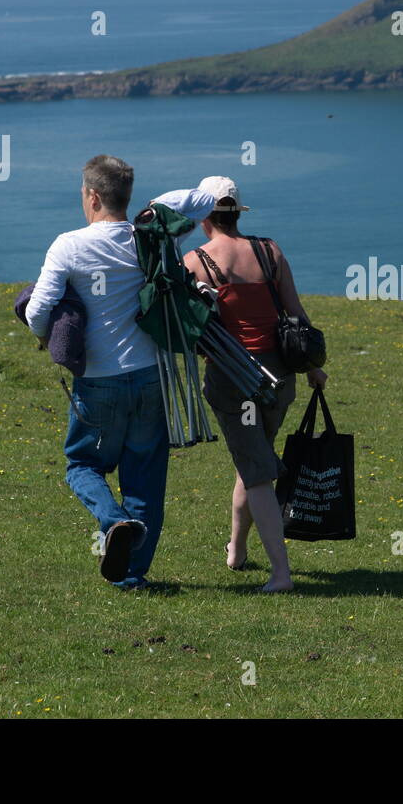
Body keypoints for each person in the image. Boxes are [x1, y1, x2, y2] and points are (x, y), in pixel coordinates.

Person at [26, 155, 214, 589]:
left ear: (92, 195)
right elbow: (204, 199)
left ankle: (112, 522)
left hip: (98, 379)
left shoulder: (68, 245)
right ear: (125, 196)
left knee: (82, 464)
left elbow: (38, 312)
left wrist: (46, 338)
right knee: (145, 476)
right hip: (150, 374)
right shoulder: (148, 237)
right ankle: (131, 576)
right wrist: (162, 201)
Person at [183, 175, 327, 594]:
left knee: (258, 470)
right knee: (253, 463)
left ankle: (281, 573)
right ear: (236, 212)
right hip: (280, 377)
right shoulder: (269, 251)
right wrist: (313, 367)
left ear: (204, 215)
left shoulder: (195, 261)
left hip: (233, 379)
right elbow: (297, 315)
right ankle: (237, 550)